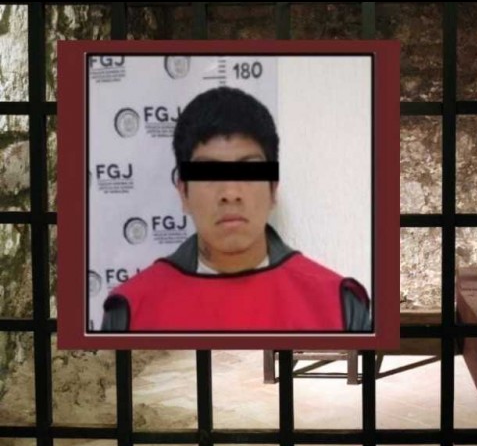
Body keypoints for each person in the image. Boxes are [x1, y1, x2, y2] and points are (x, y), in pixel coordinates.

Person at [100, 86, 371, 332]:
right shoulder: (131, 311)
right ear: (184, 193)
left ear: (273, 189)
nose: (230, 193)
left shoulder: (338, 306)